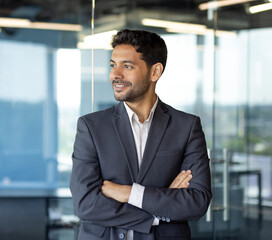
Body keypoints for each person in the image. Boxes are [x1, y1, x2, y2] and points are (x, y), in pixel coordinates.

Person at [70, 29, 212, 240]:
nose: (115, 75)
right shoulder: (91, 127)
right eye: (113, 65)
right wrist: (157, 214)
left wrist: (127, 193)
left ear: (155, 72)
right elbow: (86, 204)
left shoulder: (186, 126)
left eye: (127, 66)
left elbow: (196, 202)